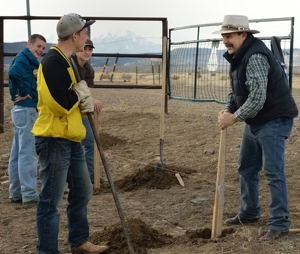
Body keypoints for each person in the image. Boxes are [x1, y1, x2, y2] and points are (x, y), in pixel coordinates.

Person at [214, 15, 298, 241]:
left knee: (273, 171)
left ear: (244, 34)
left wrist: (234, 118)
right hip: (255, 120)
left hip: (274, 119)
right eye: (223, 36)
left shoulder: (256, 56)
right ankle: (250, 212)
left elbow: (258, 97)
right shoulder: (238, 55)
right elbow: (238, 90)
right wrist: (228, 108)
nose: (225, 40)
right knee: (246, 167)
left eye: (229, 36)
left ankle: (280, 224)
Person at [32, 13, 108, 254]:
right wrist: (80, 94)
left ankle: (78, 242)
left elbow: (70, 98)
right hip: (55, 140)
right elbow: (60, 103)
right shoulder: (53, 62)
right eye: (85, 33)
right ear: (74, 35)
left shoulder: (67, 60)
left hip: (70, 138)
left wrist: (79, 95)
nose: (87, 37)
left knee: (83, 191)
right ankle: (47, 251)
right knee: (50, 202)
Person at [8, 34, 46, 205]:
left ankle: (16, 193)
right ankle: (29, 194)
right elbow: (13, 73)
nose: (41, 50)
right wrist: (24, 93)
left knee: (17, 153)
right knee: (28, 153)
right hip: (28, 109)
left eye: (43, 48)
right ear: (29, 44)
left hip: (20, 111)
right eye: (38, 46)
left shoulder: (23, 59)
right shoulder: (24, 61)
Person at [71, 39, 108, 185]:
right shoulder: (70, 65)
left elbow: (87, 92)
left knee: (90, 142)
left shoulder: (88, 69)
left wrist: (92, 100)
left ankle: (92, 176)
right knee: (71, 145)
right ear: (77, 48)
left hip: (82, 110)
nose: (87, 52)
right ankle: (73, 178)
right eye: (85, 49)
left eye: (90, 50)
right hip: (68, 110)